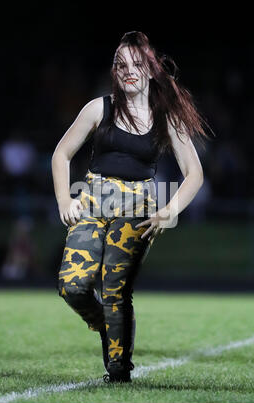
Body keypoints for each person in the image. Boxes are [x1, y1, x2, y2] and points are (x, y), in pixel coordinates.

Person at [51, 31, 209, 384]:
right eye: (121, 64)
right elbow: (61, 153)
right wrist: (65, 198)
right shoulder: (98, 108)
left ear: (150, 71)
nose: (128, 71)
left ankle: (119, 371)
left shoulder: (165, 116)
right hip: (92, 200)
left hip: (137, 206)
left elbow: (194, 173)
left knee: (115, 289)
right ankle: (104, 323)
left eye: (137, 64)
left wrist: (172, 210)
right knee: (72, 286)